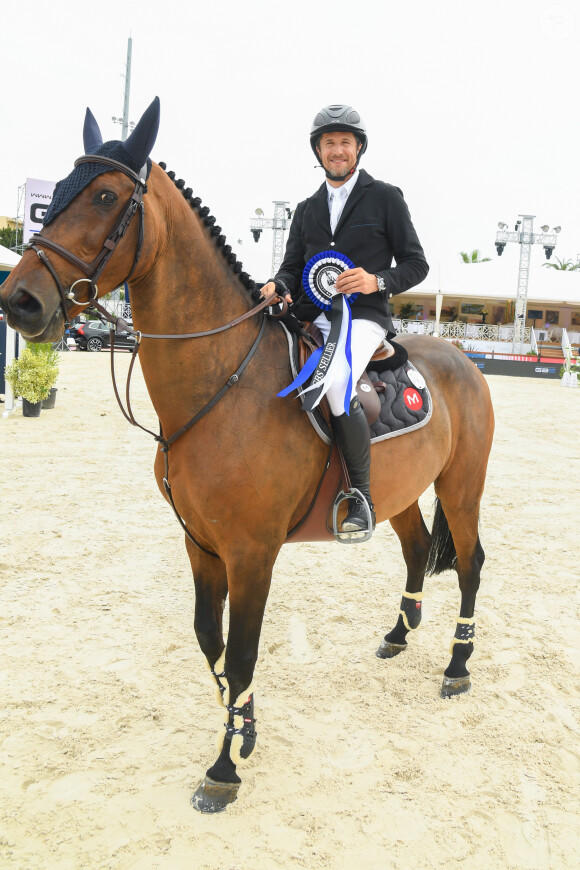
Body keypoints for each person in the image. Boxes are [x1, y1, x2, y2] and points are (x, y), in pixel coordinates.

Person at [263, 104, 429, 535]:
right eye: (329, 143)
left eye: (344, 143)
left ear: (358, 148)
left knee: (335, 380)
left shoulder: (386, 197)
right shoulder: (306, 208)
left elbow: (416, 264)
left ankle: (362, 497)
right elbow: (291, 267)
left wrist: (377, 280)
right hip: (312, 315)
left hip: (364, 318)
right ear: (318, 151)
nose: (337, 150)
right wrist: (277, 287)